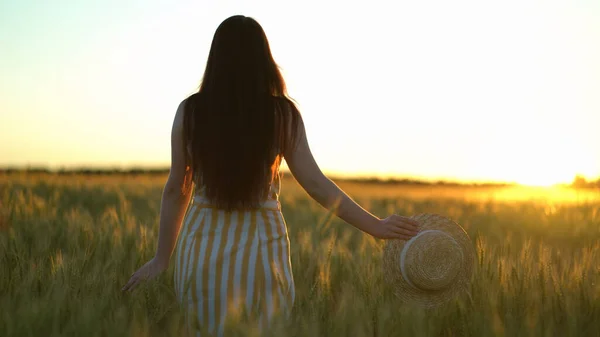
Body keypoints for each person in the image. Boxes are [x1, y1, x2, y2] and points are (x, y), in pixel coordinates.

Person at [122, 14, 420, 336]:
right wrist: (375, 226)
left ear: (216, 59)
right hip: (262, 251)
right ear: (264, 60)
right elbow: (318, 186)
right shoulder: (282, 115)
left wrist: (161, 259)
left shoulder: (191, 112)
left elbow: (176, 190)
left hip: (202, 248)